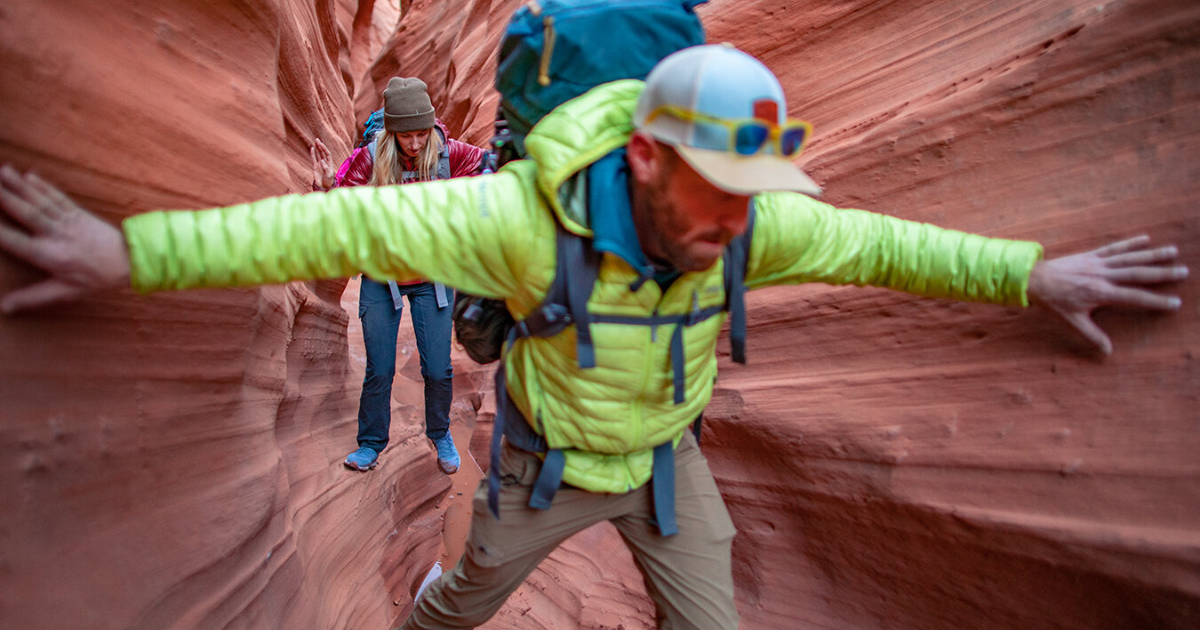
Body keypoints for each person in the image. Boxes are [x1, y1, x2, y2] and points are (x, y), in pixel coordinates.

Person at [0, 45, 1187, 629]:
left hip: (671, 465)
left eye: (754, 192)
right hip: (545, 466)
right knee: (461, 603)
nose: (741, 223)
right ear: (644, 158)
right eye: (720, 191)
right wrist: (130, 253)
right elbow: (332, 221)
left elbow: (885, 248)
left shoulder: (746, 223)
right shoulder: (515, 221)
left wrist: (1035, 272)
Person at [311, 77, 488, 474]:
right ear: (392, 131)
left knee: (439, 368)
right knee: (381, 368)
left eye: (422, 134)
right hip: (382, 277)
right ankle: (371, 443)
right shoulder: (372, 157)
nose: (415, 144)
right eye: (407, 136)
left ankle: (440, 433)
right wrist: (327, 185)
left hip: (433, 279)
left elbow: (492, 167)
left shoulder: (447, 153)